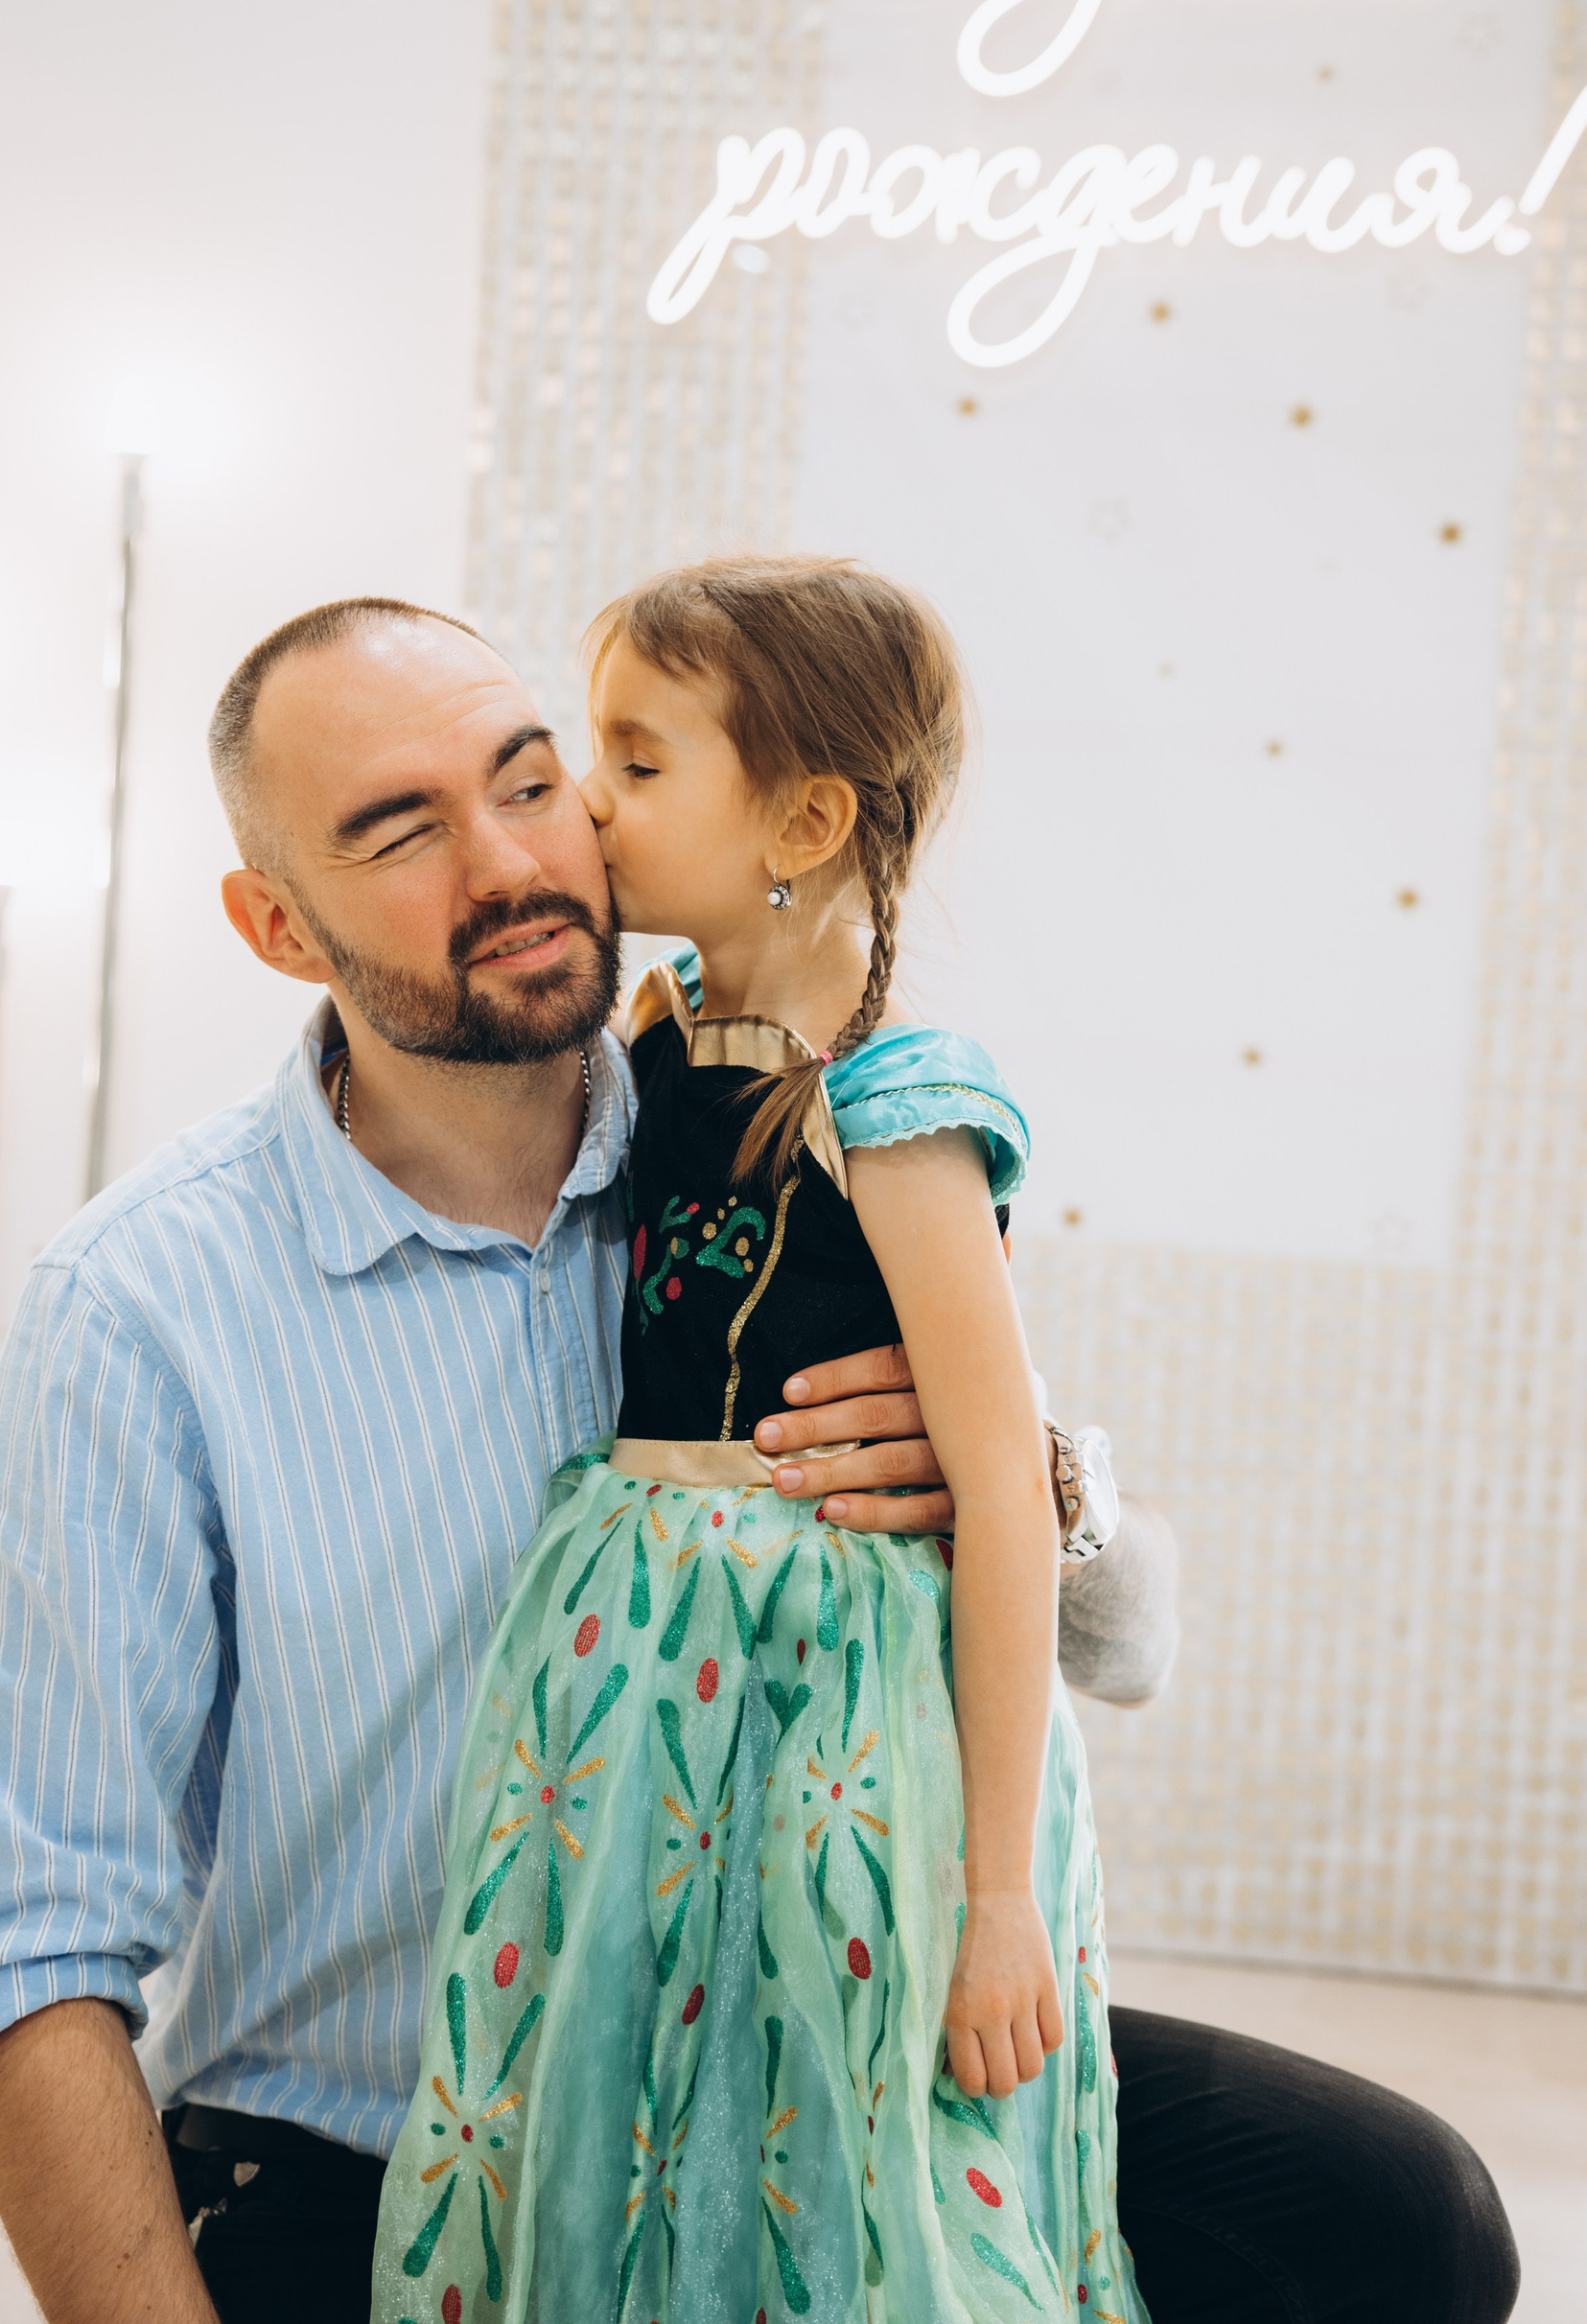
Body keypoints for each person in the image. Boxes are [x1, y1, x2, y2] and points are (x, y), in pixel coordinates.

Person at [0, 593, 1518, 2324]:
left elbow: (1128, 1646)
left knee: (1394, 2214)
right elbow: (26, 1946)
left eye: (533, 780)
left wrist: (1030, 1478)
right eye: (401, 830)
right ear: (278, 925)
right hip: (386, 2140)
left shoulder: (774, 1132)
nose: (517, 858)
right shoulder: (138, 1307)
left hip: (797, 2035)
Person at [370, 554, 1142, 2324]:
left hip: (834, 1689)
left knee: (828, 2101)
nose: (587, 802)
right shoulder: (654, 1043)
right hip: (638, 1670)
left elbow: (1006, 1500)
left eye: (638, 764)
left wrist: (998, 1899)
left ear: (802, 819)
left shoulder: (897, 1107)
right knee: (635, 2078)